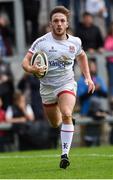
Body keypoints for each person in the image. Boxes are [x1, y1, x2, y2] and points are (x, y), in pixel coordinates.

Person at [22, 6, 95, 169]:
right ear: (50, 24)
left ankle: (64, 156)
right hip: (47, 88)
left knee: (67, 113)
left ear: (67, 23)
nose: (59, 24)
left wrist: (88, 78)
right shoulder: (41, 42)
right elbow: (24, 62)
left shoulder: (75, 42)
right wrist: (32, 69)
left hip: (66, 84)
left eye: (62, 21)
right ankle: (67, 122)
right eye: (56, 21)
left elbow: (82, 56)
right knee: (55, 123)